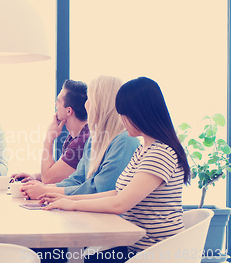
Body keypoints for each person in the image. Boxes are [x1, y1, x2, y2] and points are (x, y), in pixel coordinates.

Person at [39, 77, 190, 262]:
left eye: (124, 113)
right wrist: (67, 198)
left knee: (54, 257)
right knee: (56, 255)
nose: (121, 119)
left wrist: (72, 203)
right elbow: (117, 192)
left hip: (152, 253)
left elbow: (120, 203)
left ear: (140, 113)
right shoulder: (144, 149)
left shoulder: (161, 152)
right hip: (134, 247)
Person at [21, 76, 139, 199]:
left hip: (109, 218)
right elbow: (77, 179)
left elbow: (99, 189)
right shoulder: (92, 141)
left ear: (101, 104)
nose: (86, 104)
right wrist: (45, 189)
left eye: (90, 98)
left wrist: (46, 191)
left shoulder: (124, 142)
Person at [11, 79, 89, 184]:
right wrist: (35, 176)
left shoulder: (82, 140)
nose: (56, 104)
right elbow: (59, 173)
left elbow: (49, 179)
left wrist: (49, 139)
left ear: (69, 110)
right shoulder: (74, 136)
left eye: (59, 101)